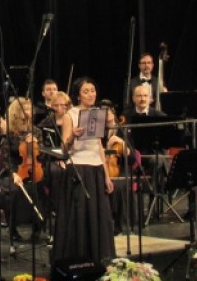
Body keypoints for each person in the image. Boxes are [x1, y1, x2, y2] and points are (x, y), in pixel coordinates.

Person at [53, 77, 115, 263]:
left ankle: (99, 258)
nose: (90, 94)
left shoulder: (97, 114)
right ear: (78, 95)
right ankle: (78, 259)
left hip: (96, 169)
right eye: (86, 91)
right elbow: (64, 149)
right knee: (79, 216)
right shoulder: (70, 115)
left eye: (93, 90)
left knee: (99, 215)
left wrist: (106, 175)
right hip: (79, 169)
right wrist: (73, 135)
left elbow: (99, 147)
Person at [0, 97, 44, 243]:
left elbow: (42, 156)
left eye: (30, 109)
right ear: (16, 112)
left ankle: (37, 228)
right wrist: (14, 174)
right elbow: (6, 158)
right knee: (12, 191)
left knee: (39, 188)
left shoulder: (36, 131)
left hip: (34, 168)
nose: (28, 112)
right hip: (14, 169)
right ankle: (12, 228)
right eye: (25, 109)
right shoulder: (10, 133)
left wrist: (37, 145)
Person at [101, 101, 138, 235]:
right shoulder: (99, 132)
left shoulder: (123, 130)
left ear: (113, 113)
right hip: (103, 167)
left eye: (109, 111)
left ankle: (120, 225)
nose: (107, 114)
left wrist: (122, 144)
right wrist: (107, 148)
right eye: (103, 112)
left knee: (118, 185)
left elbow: (133, 158)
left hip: (122, 167)